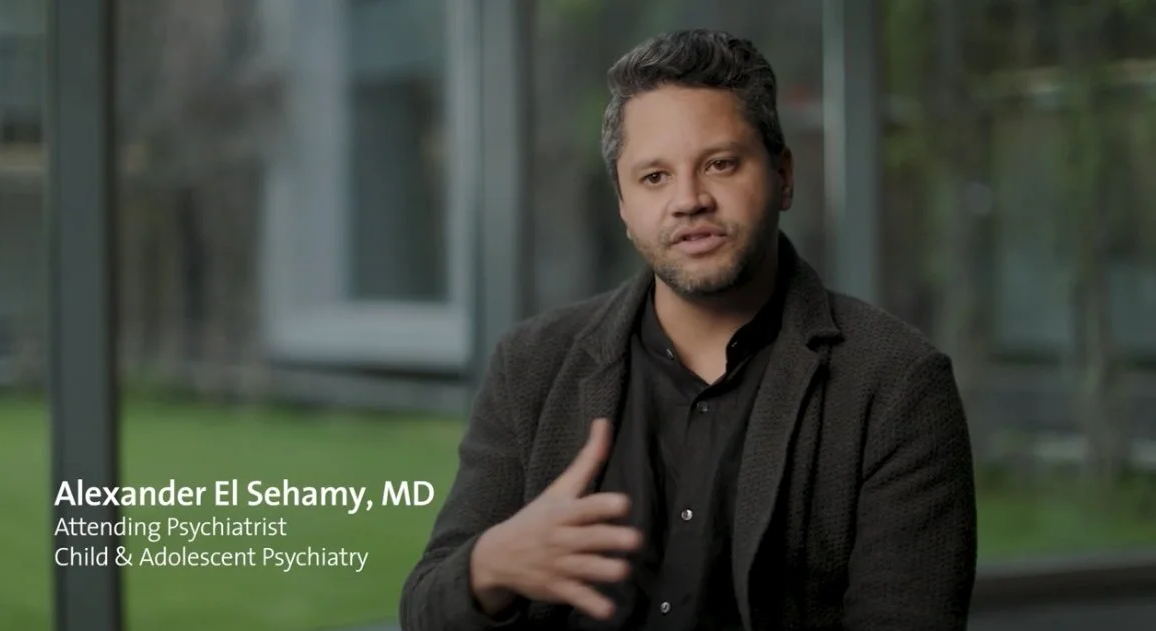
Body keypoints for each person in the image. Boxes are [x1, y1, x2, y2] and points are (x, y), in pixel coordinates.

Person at [399, 29, 977, 631]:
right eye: (654, 177)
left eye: (720, 164)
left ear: (782, 175)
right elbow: (424, 608)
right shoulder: (533, 363)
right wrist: (489, 567)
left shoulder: (896, 383)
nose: (688, 200)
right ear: (623, 205)